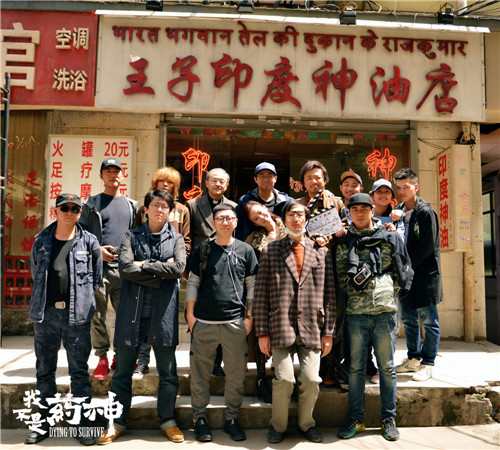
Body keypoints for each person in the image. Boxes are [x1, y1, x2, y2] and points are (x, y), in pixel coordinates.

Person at [97, 190, 186, 445]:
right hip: (132, 314)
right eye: (155, 205)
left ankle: (168, 421)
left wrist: (144, 264)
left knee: (168, 373)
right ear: (146, 209)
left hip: (163, 314)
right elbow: (125, 268)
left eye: (164, 206)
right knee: (122, 373)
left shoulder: (177, 238)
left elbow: (178, 268)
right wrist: (160, 271)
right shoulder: (131, 235)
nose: (159, 210)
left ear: (170, 211)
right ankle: (117, 421)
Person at [254, 200, 336, 444]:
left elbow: (330, 295)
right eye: (291, 215)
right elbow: (260, 294)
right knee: (285, 379)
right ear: (284, 220)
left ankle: (305, 424)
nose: (296, 219)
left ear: (306, 220)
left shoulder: (321, 251)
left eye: (300, 215)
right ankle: (278, 426)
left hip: (312, 326)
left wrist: (328, 332)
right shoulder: (271, 251)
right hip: (280, 325)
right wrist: (262, 333)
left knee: (311, 380)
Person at [335, 193, 413, 442]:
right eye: (354, 209)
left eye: (364, 209)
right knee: (356, 368)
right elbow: (341, 277)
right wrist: (358, 292)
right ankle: (356, 419)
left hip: (384, 312)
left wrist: (385, 291)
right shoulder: (344, 241)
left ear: (372, 211)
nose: (359, 213)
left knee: (387, 368)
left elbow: (400, 271)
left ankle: (389, 419)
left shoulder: (389, 236)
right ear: (349, 213)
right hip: (356, 314)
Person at [26, 193, 102, 445]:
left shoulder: (90, 242)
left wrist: (83, 304)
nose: (70, 212)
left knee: (79, 372)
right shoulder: (41, 241)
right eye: (65, 208)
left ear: (80, 213)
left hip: (77, 317)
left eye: (74, 209)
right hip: (46, 315)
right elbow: (35, 272)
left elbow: (96, 280)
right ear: (56, 211)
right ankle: (44, 423)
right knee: (44, 371)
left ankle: (81, 425)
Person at [186, 204, 258, 442]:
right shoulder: (203, 249)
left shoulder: (246, 250)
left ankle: (232, 419)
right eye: (220, 218)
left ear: (236, 222)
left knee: (236, 375)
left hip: (235, 323)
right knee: (200, 374)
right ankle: (199, 419)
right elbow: (193, 282)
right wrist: (190, 315)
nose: (225, 222)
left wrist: (249, 318)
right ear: (213, 223)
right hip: (203, 322)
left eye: (229, 218)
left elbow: (251, 285)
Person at [79, 158, 138, 381]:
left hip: (125, 270)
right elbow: (80, 235)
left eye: (116, 171)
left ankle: (119, 356)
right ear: (101, 176)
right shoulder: (91, 204)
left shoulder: (132, 205)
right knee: (97, 315)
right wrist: (97, 250)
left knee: (126, 316)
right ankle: (102, 357)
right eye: (108, 171)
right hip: (99, 269)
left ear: (123, 175)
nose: (113, 175)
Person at [132, 166, 191, 380]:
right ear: (155, 183)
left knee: (166, 319)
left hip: (170, 271)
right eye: (162, 181)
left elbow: (187, 240)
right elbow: (135, 235)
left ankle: (166, 365)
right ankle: (142, 361)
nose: (166, 185)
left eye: (170, 182)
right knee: (144, 317)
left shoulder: (182, 210)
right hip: (146, 271)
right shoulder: (144, 209)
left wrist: (179, 260)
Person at [393, 168, 443, 382]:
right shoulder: (398, 210)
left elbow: (427, 246)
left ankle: (428, 363)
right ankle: (413, 358)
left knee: (429, 320)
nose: (402, 191)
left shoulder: (425, 212)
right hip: (405, 276)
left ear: (416, 187)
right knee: (408, 319)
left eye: (406, 187)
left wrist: (406, 266)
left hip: (424, 274)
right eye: (398, 187)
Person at [186, 168, 237, 376]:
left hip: (225, 267)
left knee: (221, 314)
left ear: (227, 185)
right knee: (198, 316)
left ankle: (217, 363)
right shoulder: (193, 205)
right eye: (214, 180)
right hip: (202, 266)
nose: (218, 184)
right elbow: (188, 236)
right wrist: (187, 266)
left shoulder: (233, 207)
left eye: (222, 181)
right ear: (206, 183)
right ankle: (197, 362)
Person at [243, 201, 287, 403]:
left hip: (289, 291)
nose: (261, 217)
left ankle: (283, 376)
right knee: (261, 332)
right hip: (263, 290)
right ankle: (261, 379)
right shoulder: (254, 238)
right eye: (256, 218)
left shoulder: (289, 225)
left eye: (260, 212)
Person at [235, 162, 290, 241]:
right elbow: (238, 228)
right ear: (255, 179)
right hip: (252, 246)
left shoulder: (286, 202)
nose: (266, 179)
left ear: (275, 179)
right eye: (261, 176)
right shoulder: (245, 201)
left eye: (269, 176)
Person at [298, 160, 344, 243]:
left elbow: (347, 227)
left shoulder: (337, 203)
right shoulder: (296, 205)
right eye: (309, 178)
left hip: (330, 249)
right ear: (303, 183)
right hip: (305, 249)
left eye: (317, 178)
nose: (314, 181)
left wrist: (342, 230)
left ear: (324, 180)